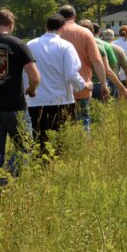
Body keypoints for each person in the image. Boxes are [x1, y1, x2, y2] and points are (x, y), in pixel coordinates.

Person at [0, 9, 40, 182]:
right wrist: (32, 90)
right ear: (11, 25)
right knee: (24, 147)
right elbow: (35, 77)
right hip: (15, 106)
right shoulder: (18, 44)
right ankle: (10, 180)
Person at [26, 14, 85, 156]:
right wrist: (83, 85)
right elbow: (71, 74)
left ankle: (40, 168)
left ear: (46, 27)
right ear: (62, 28)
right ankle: (56, 168)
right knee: (60, 141)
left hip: (35, 101)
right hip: (61, 100)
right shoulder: (66, 46)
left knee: (38, 140)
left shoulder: (30, 45)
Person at [58, 4, 108, 130]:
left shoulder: (55, 33)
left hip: (58, 88)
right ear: (75, 16)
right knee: (83, 122)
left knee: (62, 125)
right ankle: (84, 147)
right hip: (82, 86)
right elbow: (96, 61)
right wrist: (103, 84)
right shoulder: (85, 32)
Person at [80, 21, 127, 102]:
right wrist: (123, 88)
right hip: (100, 83)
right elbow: (111, 68)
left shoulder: (74, 44)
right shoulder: (103, 45)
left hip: (81, 84)